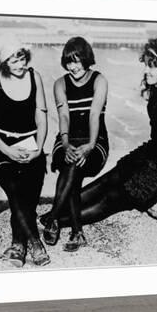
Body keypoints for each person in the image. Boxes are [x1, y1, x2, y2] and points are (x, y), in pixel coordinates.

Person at [40, 37, 157, 230]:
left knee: (113, 198)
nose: (146, 70)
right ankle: (53, 213)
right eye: (146, 65)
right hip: (151, 153)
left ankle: (56, 221)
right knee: (109, 179)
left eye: (152, 66)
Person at [0, 34, 50, 267]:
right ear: (3, 63)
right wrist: (7, 152)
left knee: (28, 194)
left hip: (31, 147)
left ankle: (17, 244)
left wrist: (39, 148)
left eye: (21, 58)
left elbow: (41, 116)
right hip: (1, 149)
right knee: (15, 189)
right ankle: (35, 242)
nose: (20, 64)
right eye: (13, 61)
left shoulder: (35, 77)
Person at [43, 37, 109, 252]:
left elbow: (94, 115)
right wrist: (64, 142)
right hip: (67, 138)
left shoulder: (99, 80)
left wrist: (89, 144)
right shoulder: (60, 84)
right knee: (72, 167)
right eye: (69, 62)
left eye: (77, 61)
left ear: (86, 59)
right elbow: (64, 116)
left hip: (95, 139)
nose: (73, 67)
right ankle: (76, 232)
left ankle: (53, 218)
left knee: (74, 167)